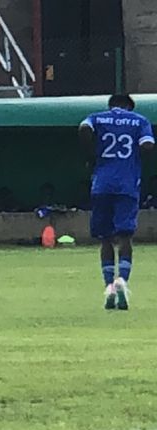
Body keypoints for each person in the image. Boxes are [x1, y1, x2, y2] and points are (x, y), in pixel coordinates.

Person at [80, 94, 155, 311]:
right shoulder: (139, 121)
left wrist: (91, 153)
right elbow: (148, 144)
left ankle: (108, 286)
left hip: (101, 184)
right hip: (127, 184)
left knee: (105, 238)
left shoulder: (97, 117)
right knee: (125, 236)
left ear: (111, 105)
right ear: (130, 107)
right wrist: (134, 156)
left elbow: (84, 128)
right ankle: (122, 279)